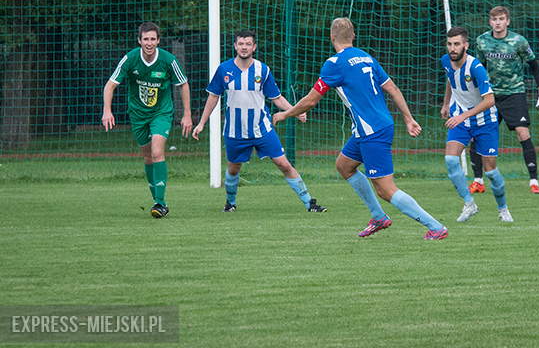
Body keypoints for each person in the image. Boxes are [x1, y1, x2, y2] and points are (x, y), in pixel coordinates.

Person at [273, 17, 448, 240]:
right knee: (344, 165)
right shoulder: (366, 57)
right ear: (353, 36)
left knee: (385, 189)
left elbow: (310, 101)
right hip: (376, 126)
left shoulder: (334, 64)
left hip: (371, 131)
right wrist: (408, 118)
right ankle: (378, 217)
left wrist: (286, 113)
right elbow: (392, 88)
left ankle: (435, 227)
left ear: (332, 37)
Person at [191, 30, 326, 213]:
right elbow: (213, 97)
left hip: (262, 129)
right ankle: (230, 203)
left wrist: (294, 111)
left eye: (248, 44)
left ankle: (310, 203)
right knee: (233, 169)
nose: (244, 47)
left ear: (254, 47)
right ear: (235, 46)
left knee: (284, 164)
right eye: (241, 44)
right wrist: (201, 123)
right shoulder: (224, 69)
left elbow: (276, 97)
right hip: (234, 131)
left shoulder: (263, 70)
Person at [102, 22, 193, 218]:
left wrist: (187, 114)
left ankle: (160, 204)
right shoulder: (131, 58)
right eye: (146, 39)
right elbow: (110, 85)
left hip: (161, 112)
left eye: (153, 39)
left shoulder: (168, 61)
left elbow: (183, 84)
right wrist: (107, 111)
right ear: (139, 40)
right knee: (147, 157)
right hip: (137, 115)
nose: (149, 43)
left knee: (157, 151)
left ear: (158, 41)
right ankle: (159, 202)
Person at [470, 5, 539, 195]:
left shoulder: (518, 41)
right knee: (478, 134)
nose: (498, 23)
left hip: (515, 93)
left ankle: (533, 181)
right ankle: (478, 181)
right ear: (490, 21)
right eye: (494, 19)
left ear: (508, 21)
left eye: (501, 19)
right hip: (490, 96)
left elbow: (534, 64)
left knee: (523, 133)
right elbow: (478, 68)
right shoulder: (482, 41)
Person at [441, 27, 513, 223]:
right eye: (449, 44)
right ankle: (469, 204)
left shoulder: (476, 68)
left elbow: (490, 100)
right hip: (460, 119)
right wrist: (447, 103)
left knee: (490, 171)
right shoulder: (446, 61)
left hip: (484, 121)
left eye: (456, 44)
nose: (452, 48)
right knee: (450, 160)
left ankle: (503, 208)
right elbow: (450, 79)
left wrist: (462, 115)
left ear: (466, 45)